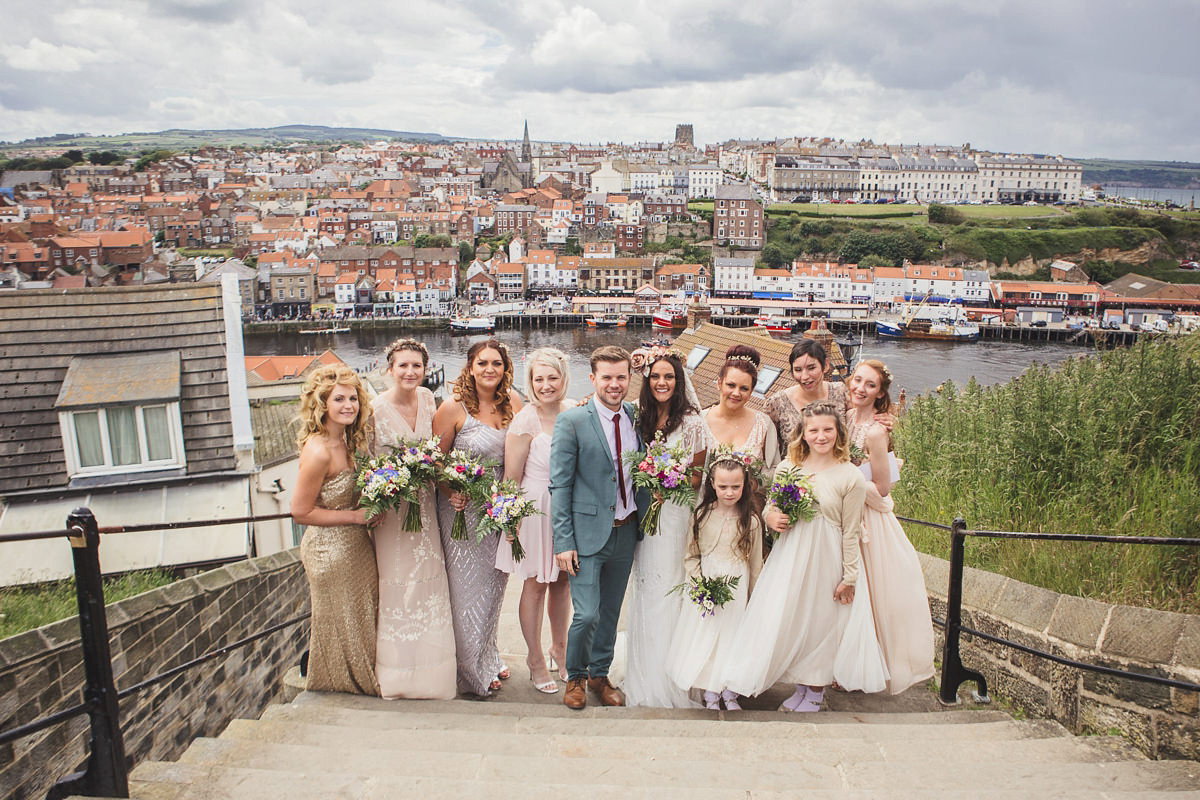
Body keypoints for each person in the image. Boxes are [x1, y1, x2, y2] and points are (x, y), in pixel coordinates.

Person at [722, 403, 888, 711]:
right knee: (791, 616)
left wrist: (849, 577)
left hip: (829, 556)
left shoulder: (849, 476)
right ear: (803, 434)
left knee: (822, 622)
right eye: (814, 430)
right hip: (792, 554)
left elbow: (851, 530)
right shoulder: (789, 467)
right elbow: (772, 506)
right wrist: (772, 517)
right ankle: (795, 685)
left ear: (839, 433)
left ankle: (814, 691)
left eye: (828, 429)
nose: (821, 436)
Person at [550, 345, 643, 710]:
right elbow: (560, 484)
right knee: (586, 612)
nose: (614, 384)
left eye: (621, 376)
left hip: (626, 530)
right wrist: (563, 541)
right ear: (593, 379)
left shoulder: (636, 417)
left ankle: (599, 674)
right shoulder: (572, 421)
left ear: (629, 378)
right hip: (586, 534)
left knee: (610, 612)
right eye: (607, 377)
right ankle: (575, 676)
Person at [433, 338, 523, 697]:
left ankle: (487, 653)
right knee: (465, 592)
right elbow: (435, 461)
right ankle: (468, 671)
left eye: (496, 364)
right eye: (482, 363)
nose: (490, 370)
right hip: (460, 512)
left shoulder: (514, 403)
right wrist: (450, 491)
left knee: (493, 589)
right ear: (470, 367)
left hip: (496, 510)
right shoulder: (452, 408)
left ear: (505, 368)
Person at [370, 339, 456, 700]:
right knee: (398, 587)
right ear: (388, 369)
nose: (410, 372)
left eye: (416, 366)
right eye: (402, 366)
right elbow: (367, 462)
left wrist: (449, 483)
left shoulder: (428, 400)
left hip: (424, 507)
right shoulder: (374, 409)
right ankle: (397, 675)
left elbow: (435, 455)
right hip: (392, 511)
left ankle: (432, 675)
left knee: (428, 582)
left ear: (425, 368)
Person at [624, 347, 707, 708]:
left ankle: (673, 675)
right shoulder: (639, 417)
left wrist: (667, 479)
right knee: (646, 590)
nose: (662, 382)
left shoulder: (693, 424)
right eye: (656, 376)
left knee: (672, 589)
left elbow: (698, 478)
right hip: (646, 516)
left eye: (669, 376)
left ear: (679, 381)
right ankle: (643, 670)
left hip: (674, 518)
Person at [846, 359, 935, 694]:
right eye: (857, 381)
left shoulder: (876, 431)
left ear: (880, 392)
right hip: (845, 514)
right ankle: (852, 664)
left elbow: (882, 487)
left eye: (870, 385)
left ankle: (871, 667)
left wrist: (846, 478)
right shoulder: (846, 418)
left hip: (868, 518)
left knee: (872, 595)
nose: (861, 389)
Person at [290, 365, 380, 695]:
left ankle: (357, 676)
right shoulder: (318, 451)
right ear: (322, 403)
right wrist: (356, 518)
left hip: (356, 543)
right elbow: (300, 512)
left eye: (353, 398)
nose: (348, 405)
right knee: (342, 618)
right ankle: (342, 682)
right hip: (329, 549)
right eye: (338, 399)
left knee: (360, 613)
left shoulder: (349, 440)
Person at [495, 347, 572, 694]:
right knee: (536, 584)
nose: (545, 385)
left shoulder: (574, 413)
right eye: (538, 379)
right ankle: (535, 658)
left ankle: (561, 648)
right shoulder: (525, 419)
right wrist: (509, 520)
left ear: (563, 379)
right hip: (534, 507)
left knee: (563, 582)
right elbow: (511, 476)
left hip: (566, 508)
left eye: (551, 378)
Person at [665, 456, 764, 711]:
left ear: (745, 486)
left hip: (737, 588)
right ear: (712, 484)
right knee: (707, 638)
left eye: (735, 487)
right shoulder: (702, 515)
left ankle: (730, 691)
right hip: (706, 587)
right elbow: (691, 555)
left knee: (732, 638)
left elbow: (755, 564)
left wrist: (755, 597)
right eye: (723, 487)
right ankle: (710, 691)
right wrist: (700, 586)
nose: (729, 492)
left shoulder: (751, 521)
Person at [702, 345, 781, 471]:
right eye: (731, 385)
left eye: (744, 388)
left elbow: (774, 470)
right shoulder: (699, 422)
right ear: (719, 383)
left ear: (751, 391)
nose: (736, 393)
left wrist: (753, 484)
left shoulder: (764, 424)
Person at [765, 339, 847, 450]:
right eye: (798, 370)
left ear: (826, 365)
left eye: (811, 368)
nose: (804, 376)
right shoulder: (777, 402)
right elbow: (766, 446)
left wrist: (879, 415)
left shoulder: (842, 392)